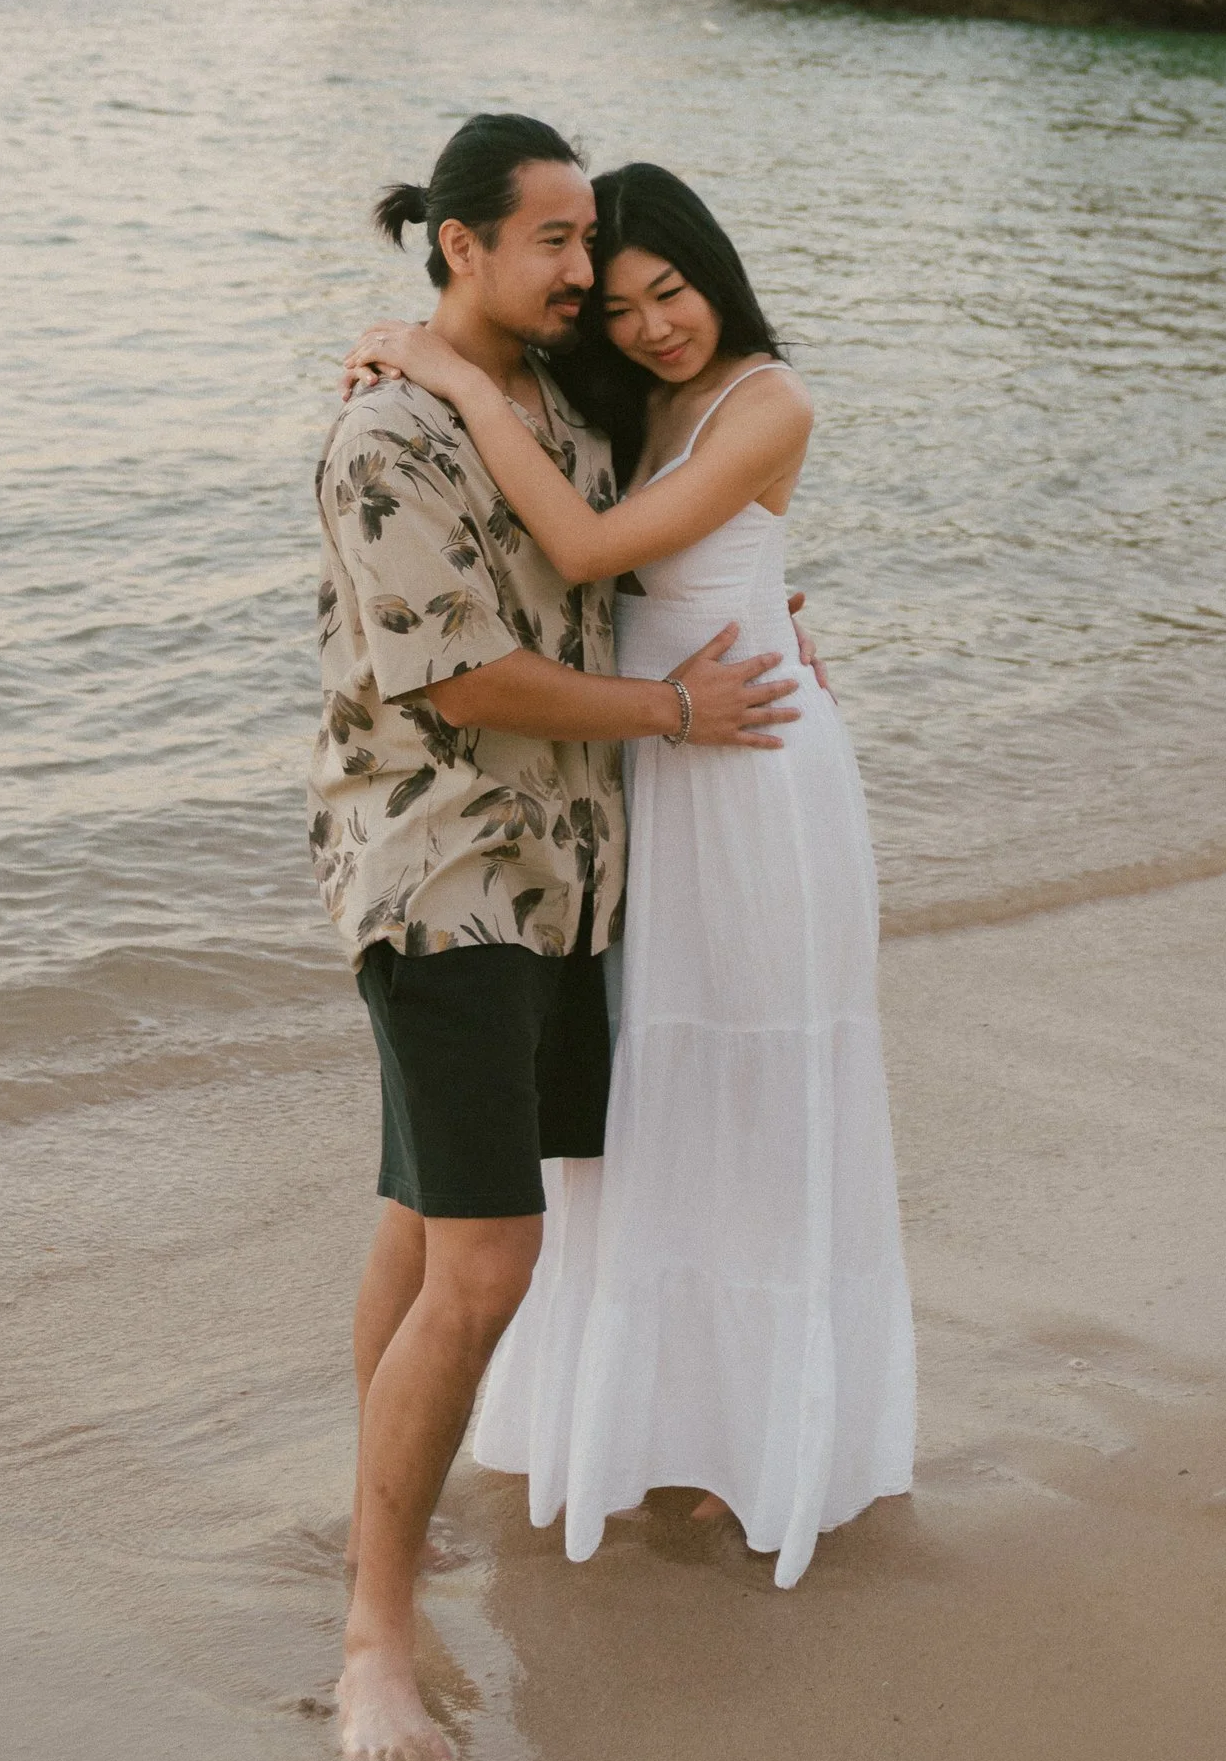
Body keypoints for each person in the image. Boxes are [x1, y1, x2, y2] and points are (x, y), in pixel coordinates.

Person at [346, 160, 916, 1595]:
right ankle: (661, 1421)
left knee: (764, 1102)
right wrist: (406, 363)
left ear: (716, 273)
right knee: (650, 1113)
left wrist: (450, 379)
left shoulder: (767, 397)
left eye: (673, 292)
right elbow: (579, 543)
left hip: (753, 771)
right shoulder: (616, 404)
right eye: (621, 305)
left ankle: (772, 1444)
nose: (657, 326)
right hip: (649, 781)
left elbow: (592, 544)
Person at [309, 115, 802, 1761]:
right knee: (491, 1261)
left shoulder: (556, 413)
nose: (588, 277)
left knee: (421, 1215)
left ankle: (385, 1524)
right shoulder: (388, 437)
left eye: (598, 247)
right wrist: (675, 709)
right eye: (557, 245)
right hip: (446, 875)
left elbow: (624, 568)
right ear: (460, 245)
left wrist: (765, 614)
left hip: (574, 880)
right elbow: (466, 683)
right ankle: (374, 1639)